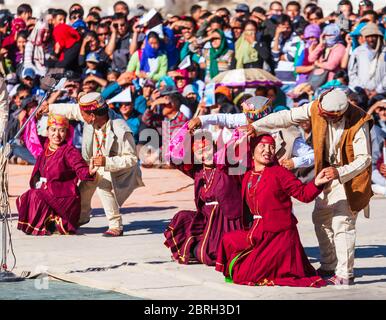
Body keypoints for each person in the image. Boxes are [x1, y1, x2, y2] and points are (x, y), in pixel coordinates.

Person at [248, 88, 373, 286]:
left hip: (349, 177)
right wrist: (256, 126)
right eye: (320, 111)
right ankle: (329, 265)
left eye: (326, 115)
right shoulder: (317, 107)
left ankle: (345, 274)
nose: (320, 115)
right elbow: (286, 117)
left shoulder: (359, 122)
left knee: (342, 222)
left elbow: (364, 158)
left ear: (338, 114)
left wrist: (340, 172)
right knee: (320, 218)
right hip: (325, 173)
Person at [216, 133, 330, 287]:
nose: (268, 150)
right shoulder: (248, 174)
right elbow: (224, 165)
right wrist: (240, 140)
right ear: (252, 150)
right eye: (262, 146)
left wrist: (317, 183)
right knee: (228, 239)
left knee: (244, 274)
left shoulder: (279, 172)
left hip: (279, 234)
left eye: (271, 147)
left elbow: (303, 194)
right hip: (256, 232)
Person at [47, 92, 144, 237]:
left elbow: (132, 159)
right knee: (84, 187)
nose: (81, 116)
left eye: (83, 115)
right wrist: (48, 108)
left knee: (103, 186)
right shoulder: (93, 116)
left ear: (92, 116)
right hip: (96, 164)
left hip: (118, 169)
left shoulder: (120, 128)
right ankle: (81, 217)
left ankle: (116, 226)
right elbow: (72, 111)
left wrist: (106, 162)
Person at [164, 130, 244, 266]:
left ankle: (197, 249)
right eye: (198, 151)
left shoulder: (226, 166)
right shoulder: (197, 170)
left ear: (214, 147)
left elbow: (239, 144)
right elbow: (171, 156)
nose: (204, 154)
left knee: (210, 254)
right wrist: (186, 132)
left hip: (224, 218)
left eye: (207, 149)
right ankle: (195, 248)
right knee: (181, 218)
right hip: (205, 217)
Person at [16, 113, 97, 235]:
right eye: (53, 130)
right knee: (26, 197)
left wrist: (88, 172)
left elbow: (80, 168)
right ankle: (46, 222)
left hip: (63, 196)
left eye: (62, 131)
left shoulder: (69, 151)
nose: (57, 135)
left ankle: (55, 221)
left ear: (67, 133)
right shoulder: (46, 149)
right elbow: (30, 136)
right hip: (48, 191)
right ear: (47, 131)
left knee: (35, 196)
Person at [188, 96, 314, 173]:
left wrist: (295, 162)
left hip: (274, 185)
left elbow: (313, 155)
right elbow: (226, 119)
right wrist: (201, 119)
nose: (248, 123)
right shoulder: (248, 120)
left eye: (252, 122)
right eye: (247, 119)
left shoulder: (288, 133)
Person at [348, 23, 386, 99]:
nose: (371, 39)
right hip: (360, 92)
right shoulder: (358, 52)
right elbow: (352, 72)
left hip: (381, 94)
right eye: (368, 36)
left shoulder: (384, 52)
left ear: (378, 37)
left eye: (373, 36)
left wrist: (377, 91)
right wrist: (363, 89)